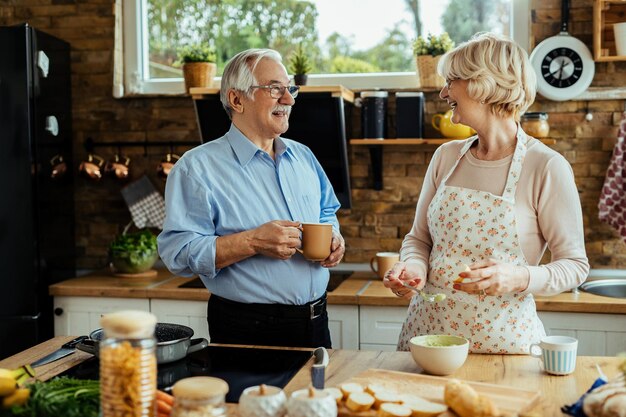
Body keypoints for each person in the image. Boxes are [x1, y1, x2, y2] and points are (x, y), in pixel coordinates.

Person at [383, 33, 589, 354]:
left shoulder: (546, 166)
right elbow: (419, 240)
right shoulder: (446, 157)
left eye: (452, 80)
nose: (443, 92)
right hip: (427, 339)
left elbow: (574, 265)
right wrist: (415, 268)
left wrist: (519, 278)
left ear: (484, 84)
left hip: (505, 346)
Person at [158, 48, 345, 348]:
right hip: (247, 328)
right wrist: (253, 242)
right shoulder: (195, 168)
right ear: (236, 99)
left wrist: (334, 236)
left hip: (316, 324)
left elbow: (326, 210)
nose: (289, 99)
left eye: (290, 89)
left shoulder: (304, 156)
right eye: (275, 89)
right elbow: (178, 253)